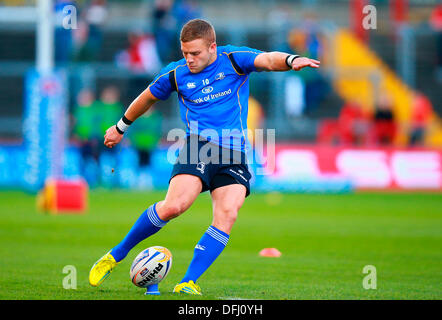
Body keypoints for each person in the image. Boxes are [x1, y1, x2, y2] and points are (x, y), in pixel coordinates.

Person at [88, 19, 320, 295]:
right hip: (199, 146)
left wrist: (292, 59)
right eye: (185, 53)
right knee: (175, 206)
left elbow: (268, 59)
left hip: (234, 153)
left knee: (227, 215)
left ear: (212, 47)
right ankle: (116, 254)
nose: (189, 59)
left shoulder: (233, 59)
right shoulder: (175, 74)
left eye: (195, 53)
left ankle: (187, 282)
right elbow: (147, 97)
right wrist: (120, 127)